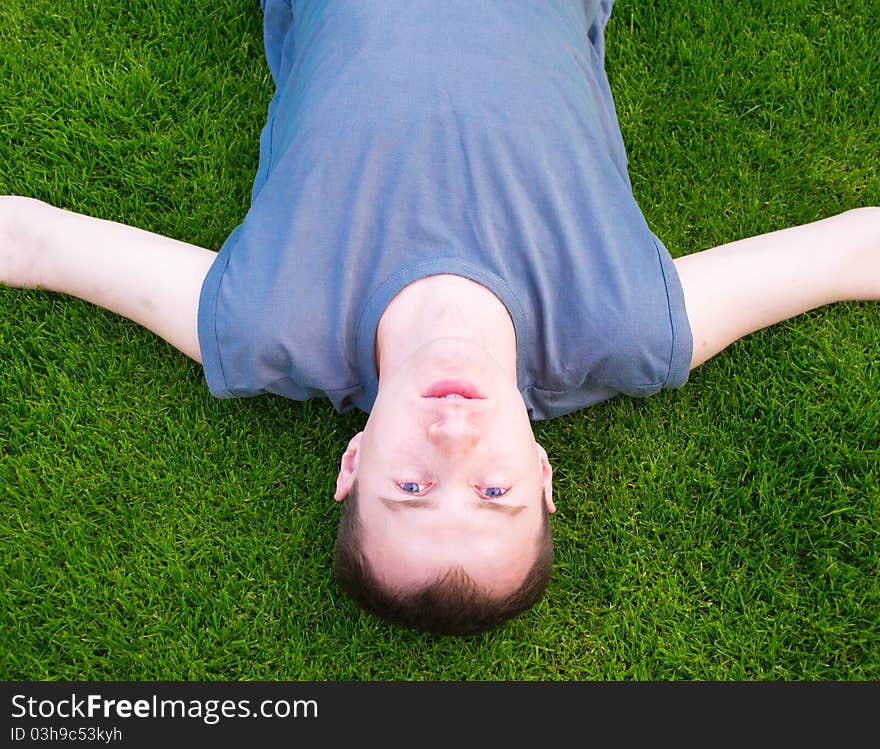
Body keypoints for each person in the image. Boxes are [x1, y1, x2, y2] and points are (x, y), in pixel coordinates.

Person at [1, 0, 877, 636]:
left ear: (351, 464)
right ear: (542, 474)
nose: (451, 441)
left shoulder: (261, 325)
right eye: (494, 494)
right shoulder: (629, 326)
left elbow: (37, 245)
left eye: (410, 488)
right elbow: (847, 256)